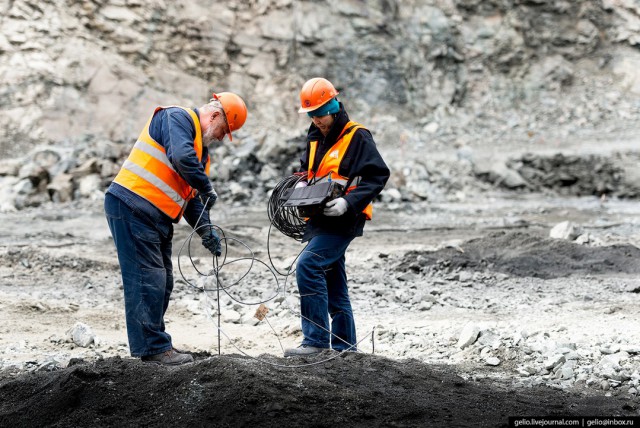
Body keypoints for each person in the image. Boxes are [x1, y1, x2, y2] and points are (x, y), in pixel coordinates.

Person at [104, 92, 248, 365]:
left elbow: (192, 200)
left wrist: (206, 231)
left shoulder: (201, 155)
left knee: (163, 281)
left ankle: (154, 345)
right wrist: (207, 186)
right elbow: (180, 157)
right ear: (215, 115)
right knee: (149, 278)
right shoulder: (176, 118)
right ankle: (153, 348)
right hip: (132, 205)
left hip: (154, 216)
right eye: (223, 131)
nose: (220, 138)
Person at [284, 78, 390, 357]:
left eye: (319, 114)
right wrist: (300, 182)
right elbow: (308, 169)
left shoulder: (357, 136)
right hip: (320, 218)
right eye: (311, 115)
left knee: (308, 266)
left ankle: (316, 342)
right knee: (334, 282)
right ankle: (346, 348)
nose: (316, 120)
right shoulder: (314, 135)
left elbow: (378, 175)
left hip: (344, 219)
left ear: (332, 106)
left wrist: (348, 202)